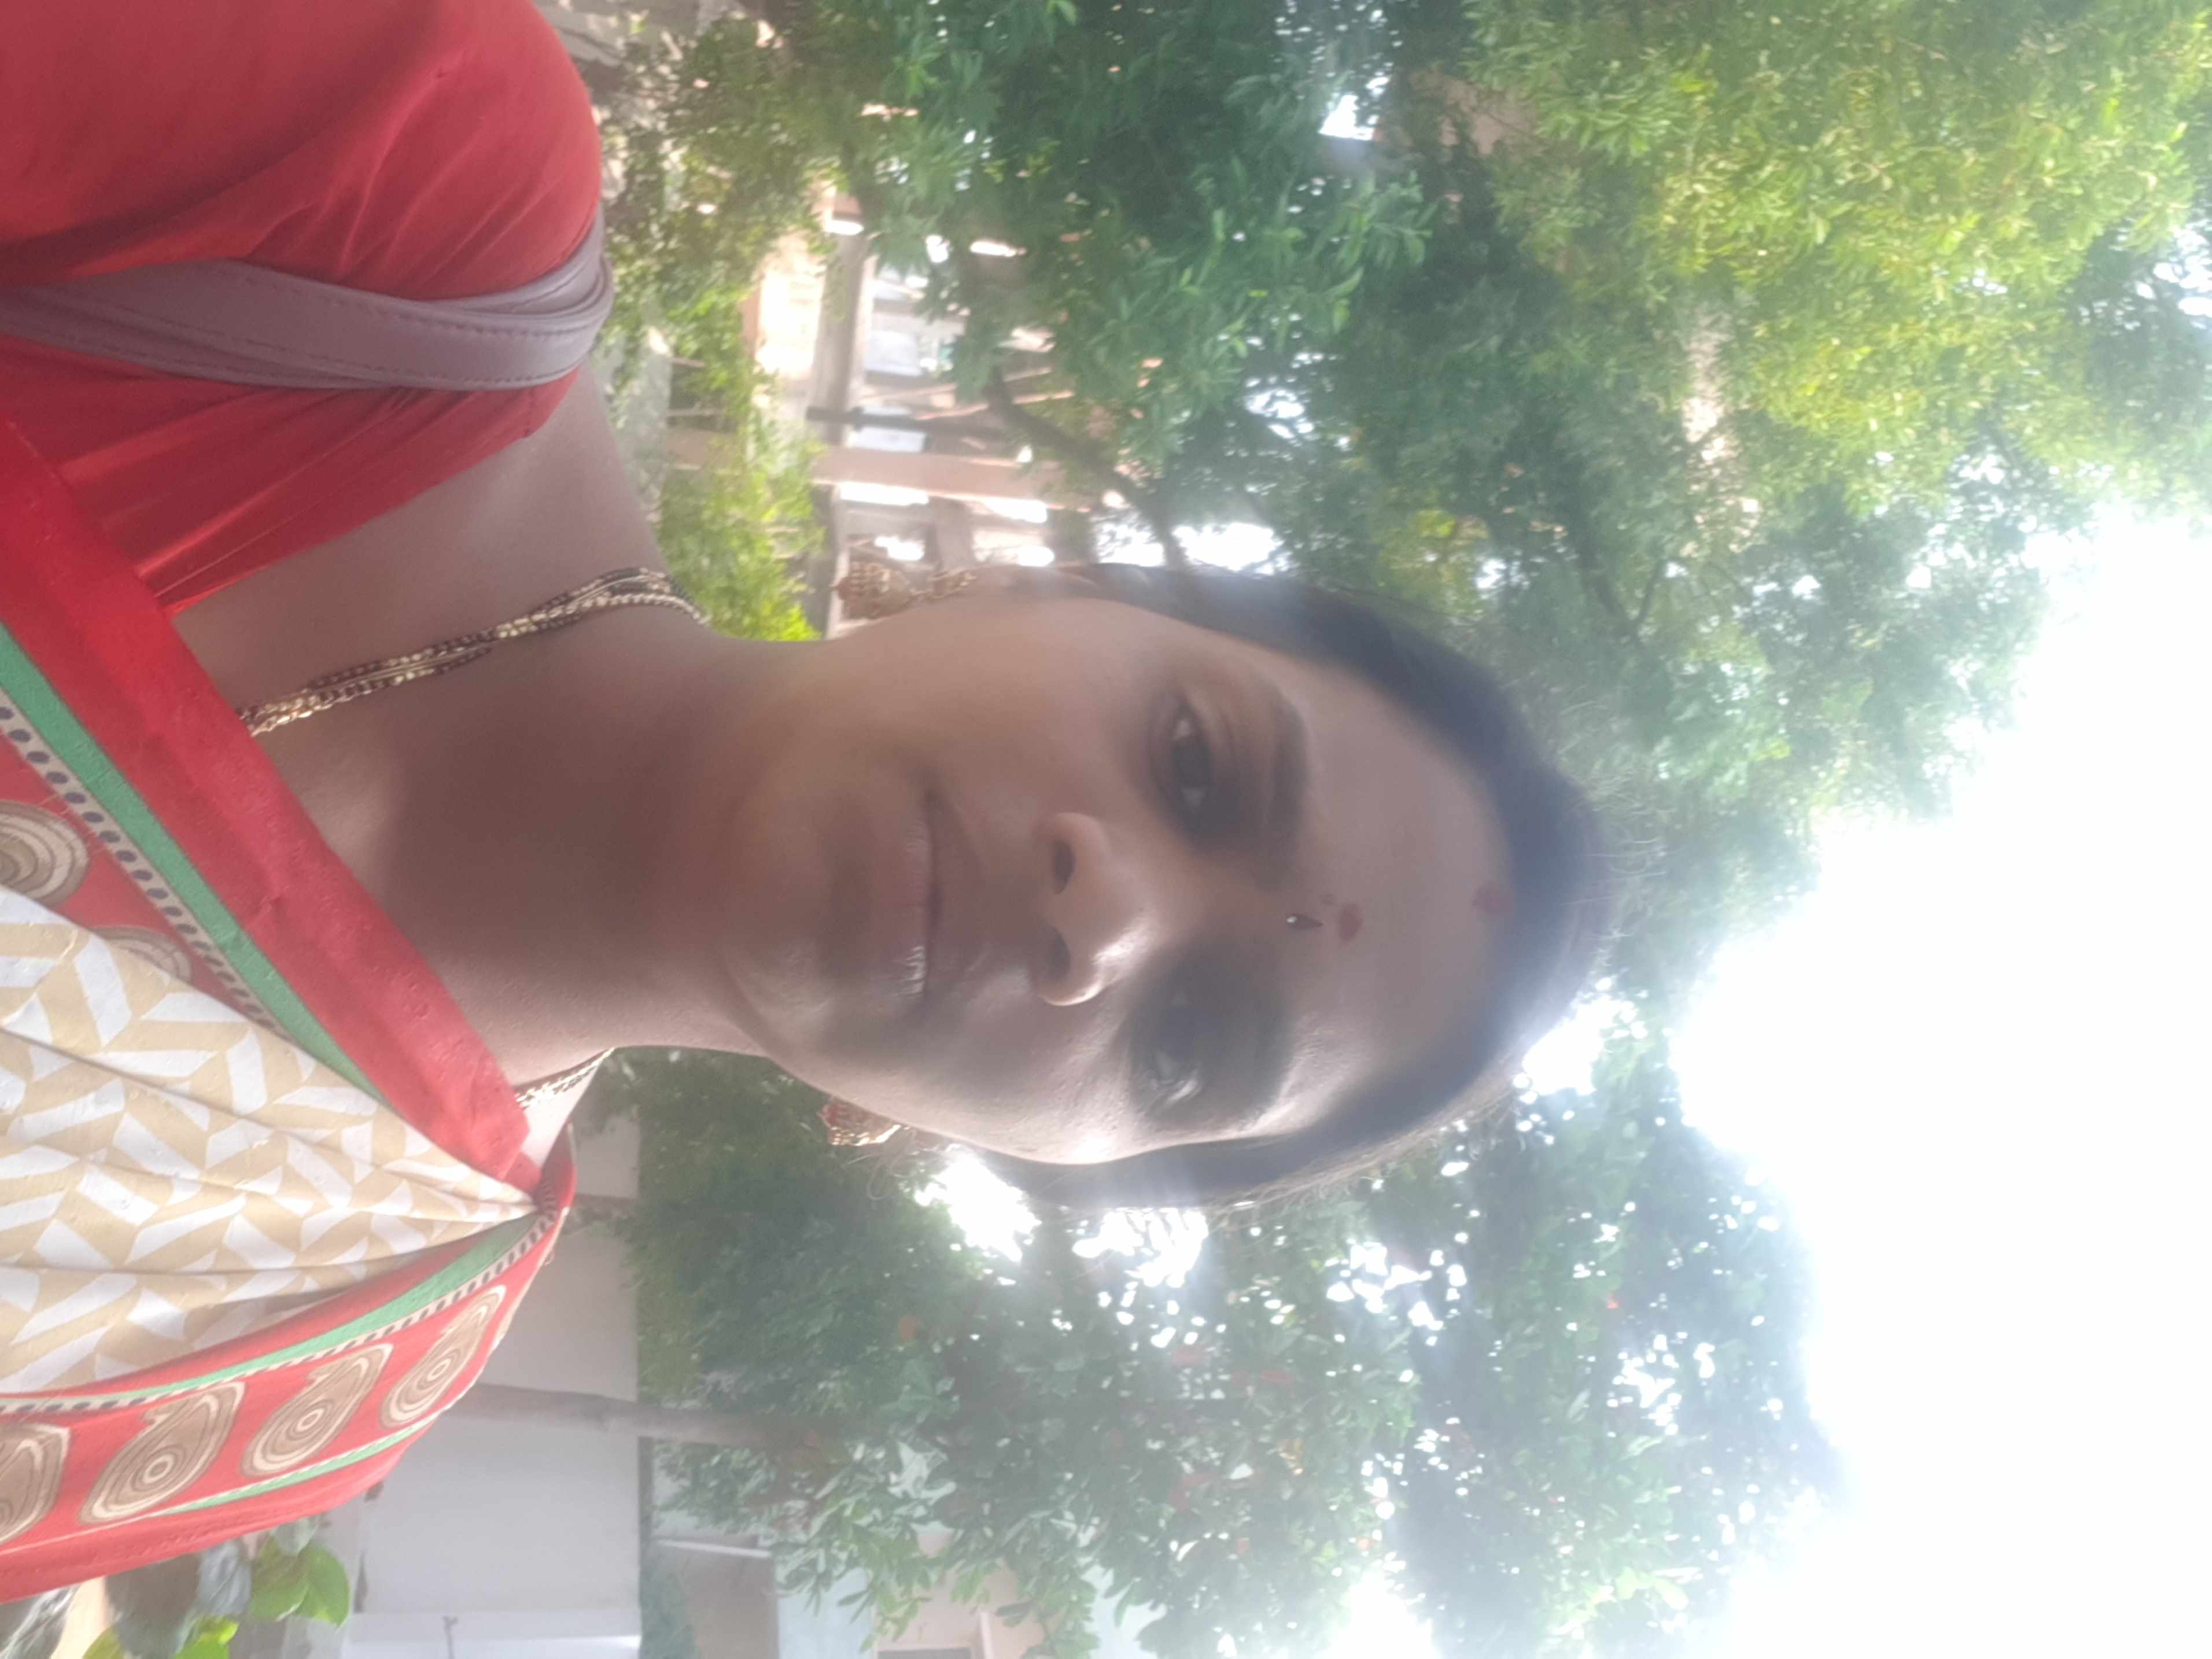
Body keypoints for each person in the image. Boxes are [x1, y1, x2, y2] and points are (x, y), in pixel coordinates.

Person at [0, 0, 1606, 1598]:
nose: (1104, 920)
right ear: (1042, 582)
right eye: (1198, 763)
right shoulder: (406, 198)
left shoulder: (312, 1361)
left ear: (1024, 1153)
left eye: (1189, 1037)